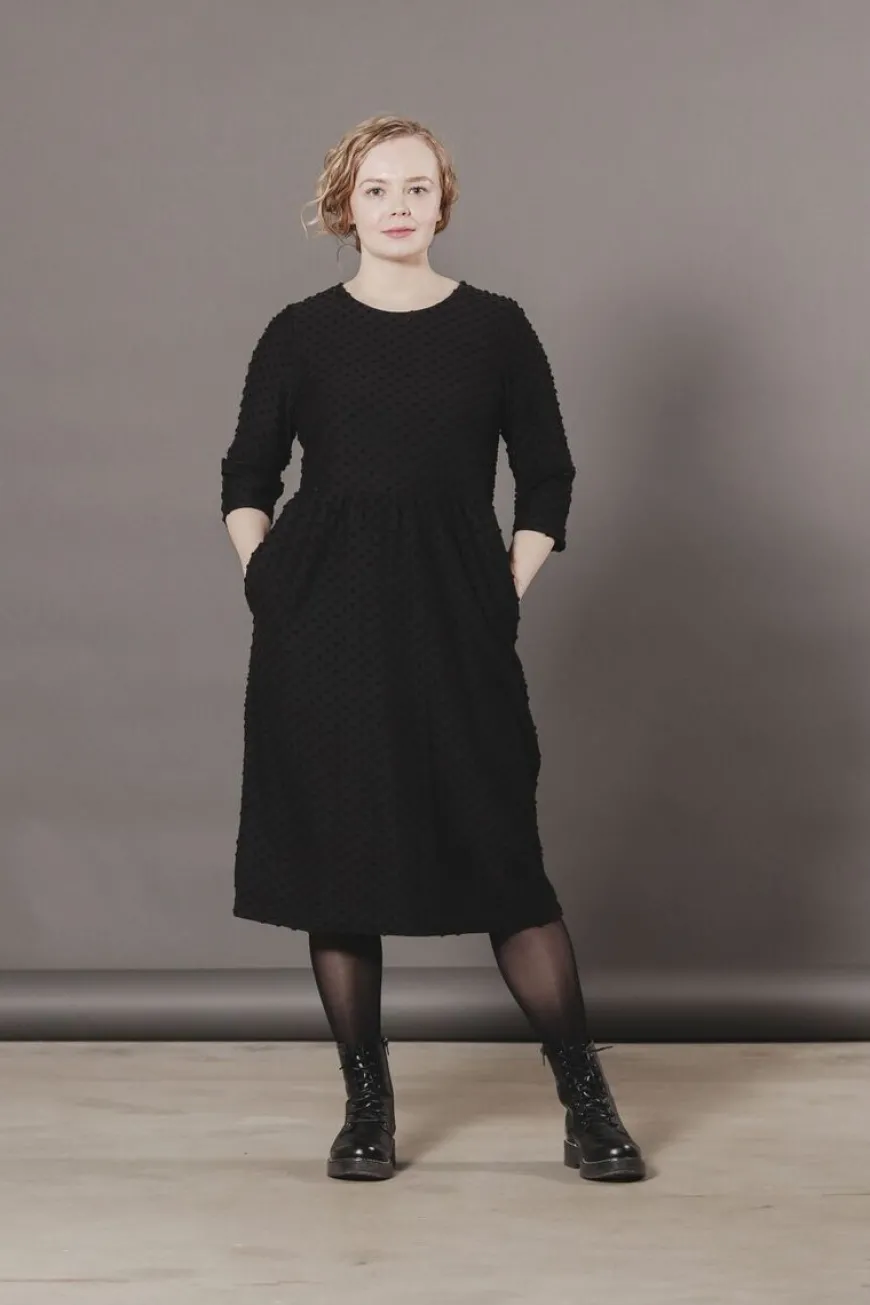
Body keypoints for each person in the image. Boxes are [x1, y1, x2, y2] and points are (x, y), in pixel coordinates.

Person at [220, 115, 646, 1183]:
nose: (398, 205)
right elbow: (246, 477)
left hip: (456, 623)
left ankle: (586, 1103)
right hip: (321, 628)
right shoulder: (300, 334)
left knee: (504, 861)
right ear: (345, 207)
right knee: (338, 869)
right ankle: (367, 1106)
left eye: (417, 187)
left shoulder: (497, 328)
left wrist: (505, 585)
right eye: (376, 189)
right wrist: (268, 578)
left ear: (442, 201)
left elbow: (547, 478)